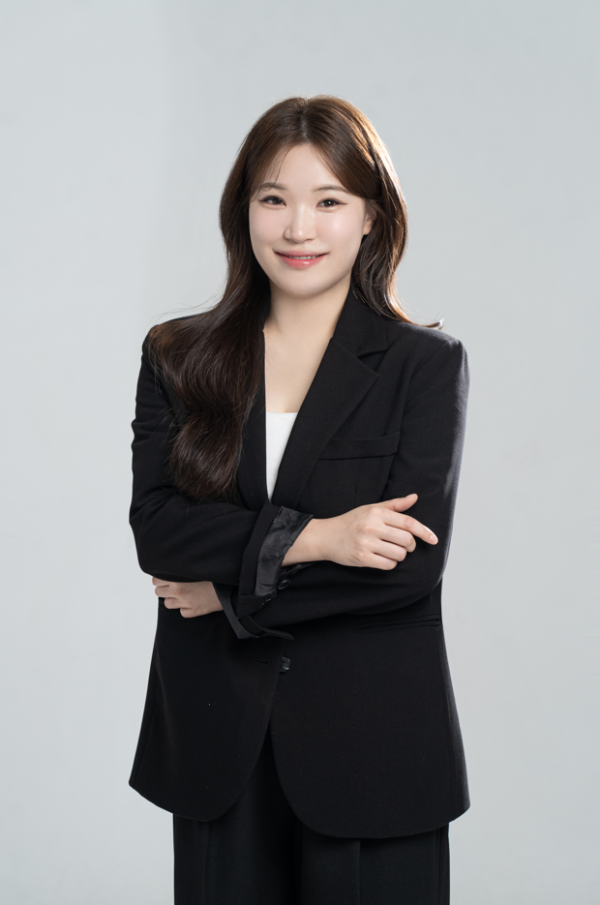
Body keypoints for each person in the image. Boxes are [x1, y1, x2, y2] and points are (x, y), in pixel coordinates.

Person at [129, 95, 470, 904]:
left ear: (371, 217)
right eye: (274, 198)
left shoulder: (424, 365)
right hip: (218, 741)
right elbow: (159, 531)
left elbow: (406, 569)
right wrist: (316, 538)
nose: (297, 228)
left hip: (375, 747)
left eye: (329, 201)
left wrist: (227, 591)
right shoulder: (178, 355)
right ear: (242, 209)